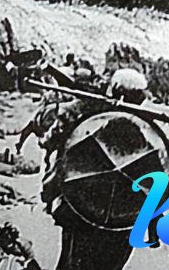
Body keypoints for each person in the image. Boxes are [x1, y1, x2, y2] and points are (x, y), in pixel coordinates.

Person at [22, 68, 150, 269]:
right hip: (113, 211)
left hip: (86, 205)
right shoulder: (135, 128)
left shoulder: (88, 112)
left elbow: (50, 141)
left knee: (74, 258)